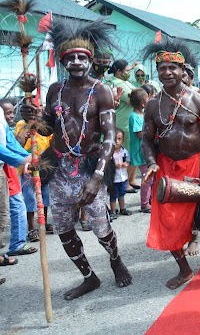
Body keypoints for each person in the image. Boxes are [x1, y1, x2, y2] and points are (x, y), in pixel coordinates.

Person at [21, 17, 132, 300]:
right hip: (59, 168)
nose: (77, 62)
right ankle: (88, 277)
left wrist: (97, 177)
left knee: (101, 227)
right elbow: (47, 126)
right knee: (63, 227)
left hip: (89, 167)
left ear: (90, 59)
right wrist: (30, 116)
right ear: (63, 61)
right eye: (70, 58)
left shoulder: (101, 91)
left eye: (82, 57)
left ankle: (115, 260)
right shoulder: (55, 90)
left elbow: (109, 136)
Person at [142, 38, 200, 289]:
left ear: (182, 70)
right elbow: (145, 138)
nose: (166, 72)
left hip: (196, 165)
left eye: (172, 68)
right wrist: (152, 162)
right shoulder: (153, 104)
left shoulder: (196, 99)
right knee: (168, 223)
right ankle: (184, 269)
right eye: (162, 68)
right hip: (166, 169)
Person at [14, 106, 54, 241]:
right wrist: (29, 126)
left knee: (45, 196)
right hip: (28, 168)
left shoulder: (45, 126)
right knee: (30, 197)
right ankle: (31, 228)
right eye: (35, 108)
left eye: (41, 107)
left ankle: (44, 222)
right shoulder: (22, 124)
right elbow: (18, 143)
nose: (38, 110)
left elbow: (51, 143)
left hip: (44, 166)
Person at [1, 103, 36, 257]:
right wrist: (23, 160)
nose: (10, 116)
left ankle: (17, 244)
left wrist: (27, 157)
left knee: (16, 206)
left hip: (4, 168)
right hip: (5, 167)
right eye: (8, 113)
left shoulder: (1, 118)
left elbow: (9, 143)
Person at [108, 59, 137, 193]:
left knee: (134, 152)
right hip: (123, 124)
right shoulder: (117, 84)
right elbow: (134, 100)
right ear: (118, 71)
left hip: (129, 122)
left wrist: (132, 67)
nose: (128, 73)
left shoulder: (124, 82)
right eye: (126, 70)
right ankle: (125, 183)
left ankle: (131, 180)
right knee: (127, 154)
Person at [128, 88, 151, 213]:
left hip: (145, 151)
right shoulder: (134, 116)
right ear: (142, 103)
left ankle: (149, 199)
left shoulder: (142, 114)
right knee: (146, 178)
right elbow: (140, 134)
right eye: (147, 98)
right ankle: (144, 204)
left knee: (150, 177)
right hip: (141, 152)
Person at [109, 128, 131, 219]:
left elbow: (128, 160)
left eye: (119, 139)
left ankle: (122, 208)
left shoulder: (124, 151)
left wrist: (126, 164)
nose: (117, 142)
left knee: (122, 194)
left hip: (123, 177)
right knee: (113, 195)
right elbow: (107, 165)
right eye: (115, 139)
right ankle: (113, 211)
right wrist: (114, 165)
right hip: (114, 179)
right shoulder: (110, 153)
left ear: (123, 140)